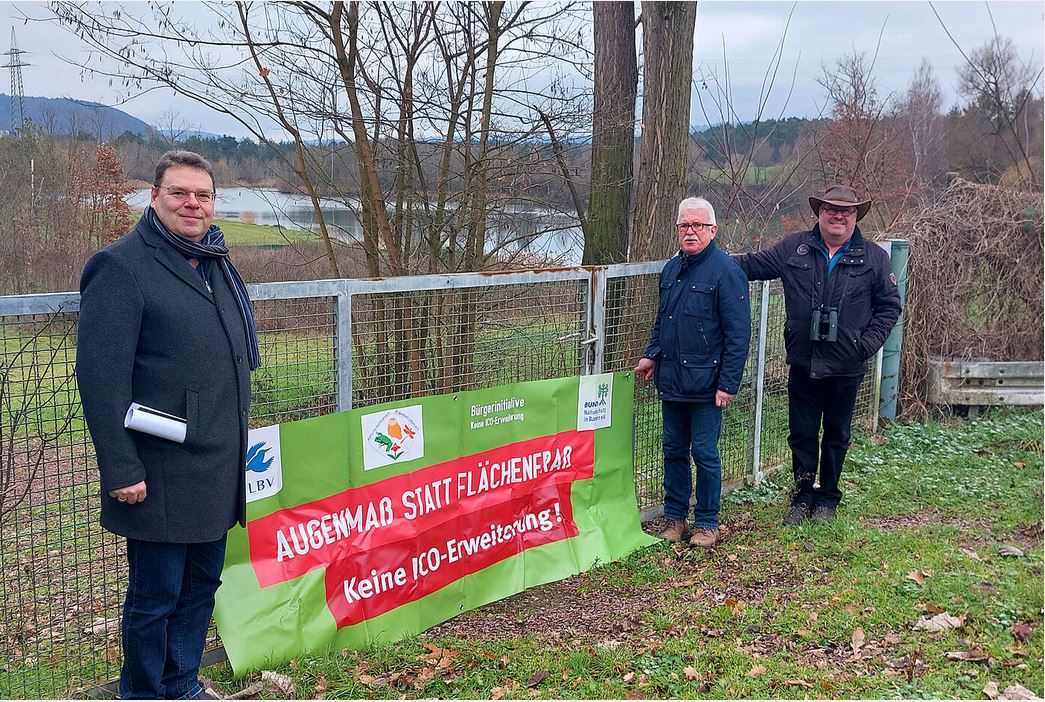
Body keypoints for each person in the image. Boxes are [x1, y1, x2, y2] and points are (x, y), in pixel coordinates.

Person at [77, 151, 259, 699]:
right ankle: (143, 691)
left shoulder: (214, 262)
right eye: (180, 193)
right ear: (153, 197)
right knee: (155, 597)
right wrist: (120, 466)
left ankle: (182, 685)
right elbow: (101, 379)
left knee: (201, 585)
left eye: (203, 195)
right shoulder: (121, 267)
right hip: (156, 470)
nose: (193, 204)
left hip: (215, 464)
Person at [734, 185, 901, 526]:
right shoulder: (794, 248)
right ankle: (802, 496)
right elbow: (749, 266)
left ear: (856, 217)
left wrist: (865, 344)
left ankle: (827, 499)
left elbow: (889, 307)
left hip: (847, 366)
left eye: (847, 211)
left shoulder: (873, 258)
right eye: (831, 209)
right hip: (804, 363)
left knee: (837, 435)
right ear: (819, 213)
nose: (838, 216)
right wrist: (706, 257)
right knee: (802, 434)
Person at [634, 197, 751, 548]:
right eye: (684, 225)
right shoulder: (671, 270)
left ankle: (707, 523)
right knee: (672, 450)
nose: (690, 231)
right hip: (672, 381)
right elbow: (662, 322)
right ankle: (675, 518)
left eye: (698, 225)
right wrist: (652, 355)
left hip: (707, 385)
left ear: (712, 230)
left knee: (704, 453)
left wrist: (728, 384)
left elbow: (738, 334)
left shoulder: (726, 272)